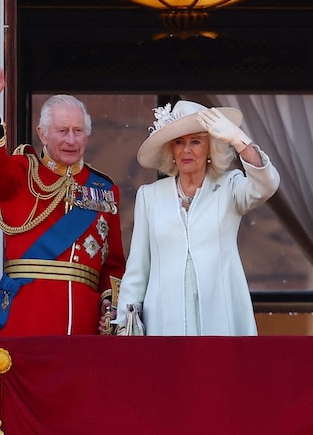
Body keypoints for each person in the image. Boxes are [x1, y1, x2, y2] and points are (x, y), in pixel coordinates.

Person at [0, 54, 126, 336]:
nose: (71, 140)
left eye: (78, 131)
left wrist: (109, 307)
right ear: (42, 133)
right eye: (62, 131)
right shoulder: (21, 172)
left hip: (82, 323)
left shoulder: (104, 190)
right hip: (24, 317)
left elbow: (113, 264)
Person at [113, 100, 280, 335]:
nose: (186, 150)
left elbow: (267, 184)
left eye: (195, 141)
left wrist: (239, 140)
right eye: (179, 142)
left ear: (211, 148)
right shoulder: (149, 196)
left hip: (221, 317)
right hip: (164, 320)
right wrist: (125, 323)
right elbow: (138, 268)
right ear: (170, 150)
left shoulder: (229, 187)